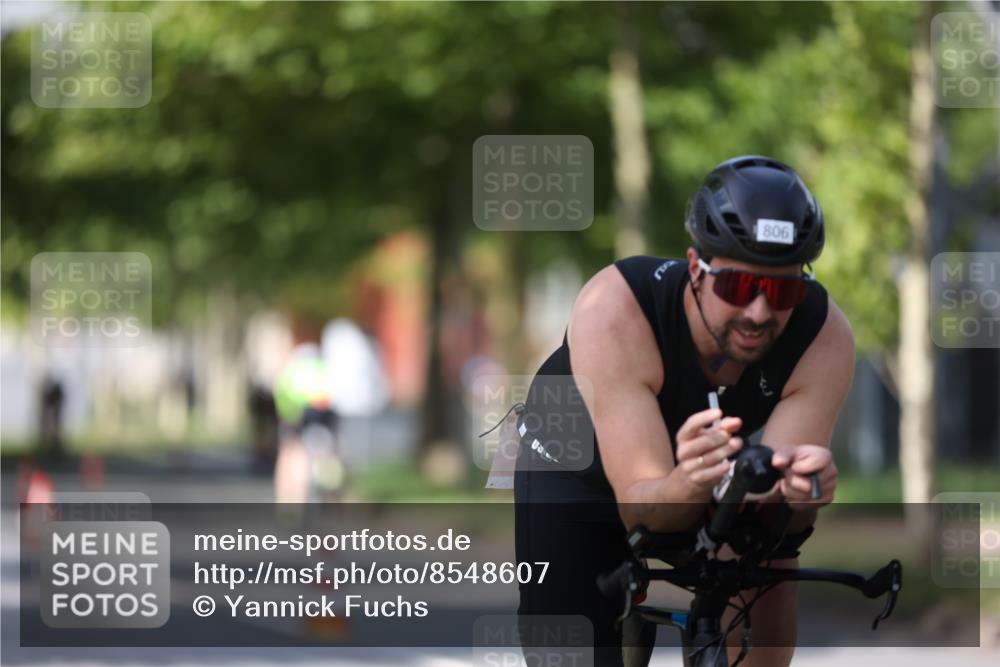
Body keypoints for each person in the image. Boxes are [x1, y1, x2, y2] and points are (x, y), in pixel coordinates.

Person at [513, 156, 852, 667]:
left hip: (705, 470)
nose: (759, 312)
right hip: (576, 468)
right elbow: (642, 510)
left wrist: (801, 495)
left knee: (765, 565)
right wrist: (687, 481)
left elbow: (775, 516)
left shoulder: (822, 335)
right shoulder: (615, 307)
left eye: (782, 290)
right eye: (738, 287)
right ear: (696, 268)